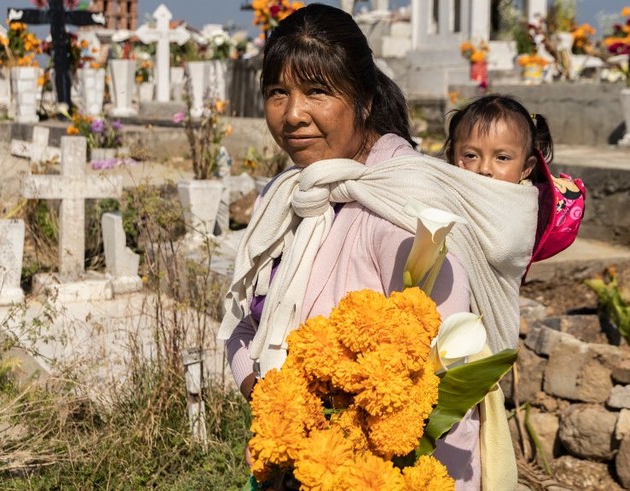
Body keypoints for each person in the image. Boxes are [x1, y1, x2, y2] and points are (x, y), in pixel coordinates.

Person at [218, 5, 538, 490]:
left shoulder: (408, 213)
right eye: (277, 93)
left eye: (317, 91)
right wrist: (278, 408)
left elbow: (435, 389)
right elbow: (247, 325)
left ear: (364, 100)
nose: (292, 114)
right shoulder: (292, 194)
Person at [443, 94, 585, 279]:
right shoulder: (447, 192)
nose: (485, 169)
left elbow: (499, 251)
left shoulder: (524, 209)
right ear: (452, 157)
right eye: (470, 155)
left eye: (502, 158)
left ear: (526, 168)